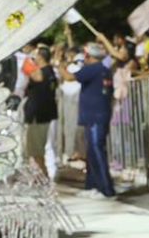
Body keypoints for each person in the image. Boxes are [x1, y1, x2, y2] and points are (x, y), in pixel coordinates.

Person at [58, 42, 115, 199]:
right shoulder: (105, 70)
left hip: (95, 116)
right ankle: (92, 185)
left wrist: (59, 64)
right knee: (91, 152)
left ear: (89, 56)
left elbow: (69, 77)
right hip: (98, 115)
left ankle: (106, 189)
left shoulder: (93, 69)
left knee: (96, 151)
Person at [23, 46, 58, 178]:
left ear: (41, 57)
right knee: (36, 151)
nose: (33, 57)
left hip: (38, 117)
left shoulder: (42, 73)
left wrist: (26, 61)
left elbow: (36, 77)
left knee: (37, 152)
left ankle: (44, 182)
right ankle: (41, 179)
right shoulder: (50, 72)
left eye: (35, 55)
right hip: (45, 116)